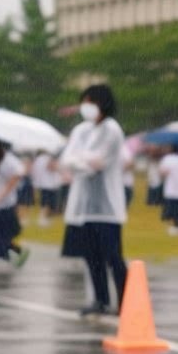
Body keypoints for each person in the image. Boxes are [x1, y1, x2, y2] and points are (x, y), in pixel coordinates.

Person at [59, 84, 128, 317]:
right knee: (91, 256)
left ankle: (126, 301)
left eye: (90, 101)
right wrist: (82, 161)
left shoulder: (112, 130)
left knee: (112, 256)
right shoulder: (81, 130)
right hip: (82, 207)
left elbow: (100, 163)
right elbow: (68, 159)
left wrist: (79, 161)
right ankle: (100, 299)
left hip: (107, 207)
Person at [0, 140, 30, 268]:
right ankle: (16, 253)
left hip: (4, 205)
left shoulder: (8, 161)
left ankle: (13, 255)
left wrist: (0, 196)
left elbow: (17, 176)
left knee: (0, 237)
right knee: (0, 238)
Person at [31, 149, 63, 227]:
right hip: (50, 184)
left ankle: (44, 219)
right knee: (47, 203)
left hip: (43, 184)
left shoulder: (38, 159)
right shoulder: (48, 158)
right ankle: (42, 220)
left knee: (46, 203)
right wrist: (58, 168)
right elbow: (51, 168)